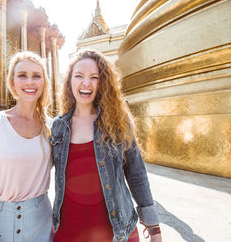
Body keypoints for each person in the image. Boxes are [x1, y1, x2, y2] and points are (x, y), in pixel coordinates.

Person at [50, 50, 162, 242]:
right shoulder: (58, 126)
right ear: (69, 81)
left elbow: (136, 173)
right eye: (79, 76)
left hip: (116, 231)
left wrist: (154, 228)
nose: (86, 83)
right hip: (69, 230)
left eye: (94, 77)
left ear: (102, 83)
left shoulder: (117, 122)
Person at [0, 51, 53, 242]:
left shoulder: (53, 127)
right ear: (12, 83)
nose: (30, 82)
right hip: (2, 221)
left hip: (42, 220)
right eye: (22, 75)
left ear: (43, 83)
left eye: (36, 76)